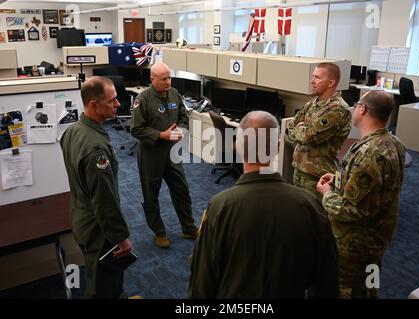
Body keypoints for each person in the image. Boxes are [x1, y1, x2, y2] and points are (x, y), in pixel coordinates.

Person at [189, 111, 339, 298]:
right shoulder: (311, 206)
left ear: (237, 145)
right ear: (277, 147)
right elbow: (327, 281)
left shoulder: (220, 207)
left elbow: (202, 283)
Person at [316, 90, 406, 299]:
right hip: (377, 241)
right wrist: (339, 179)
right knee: (370, 283)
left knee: (348, 291)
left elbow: (353, 210)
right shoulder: (393, 143)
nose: (355, 108)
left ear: (363, 109)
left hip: (355, 245)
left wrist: (326, 194)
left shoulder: (370, 153)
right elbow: (377, 187)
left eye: (357, 104)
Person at [60, 76, 134, 298]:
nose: (119, 104)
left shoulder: (73, 130)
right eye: (112, 101)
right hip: (98, 228)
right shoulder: (95, 149)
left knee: (99, 273)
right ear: (93, 105)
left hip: (80, 215)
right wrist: (120, 237)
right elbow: (104, 200)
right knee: (103, 284)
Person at [131, 62, 198, 249]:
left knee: (181, 189)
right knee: (151, 195)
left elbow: (184, 118)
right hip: (151, 154)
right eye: (163, 79)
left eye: (169, 78)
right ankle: (159, 232)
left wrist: (182, 130)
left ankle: (188, 227)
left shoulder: (175, 94)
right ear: (152, 79)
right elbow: (136, 129)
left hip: (172, 153)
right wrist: (162, 135)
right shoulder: (143, 99)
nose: (168, 82)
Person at [288, 62, 351, 198]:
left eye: (317, 77)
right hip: (300, 168)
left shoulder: (337, 109)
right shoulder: (312, 103)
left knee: (314, 214)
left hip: (318, 175)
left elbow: (309, 137)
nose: (312, 81)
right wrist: (301, 129)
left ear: (331, 83)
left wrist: (301, 128)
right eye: (313, 76)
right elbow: (290, 128)